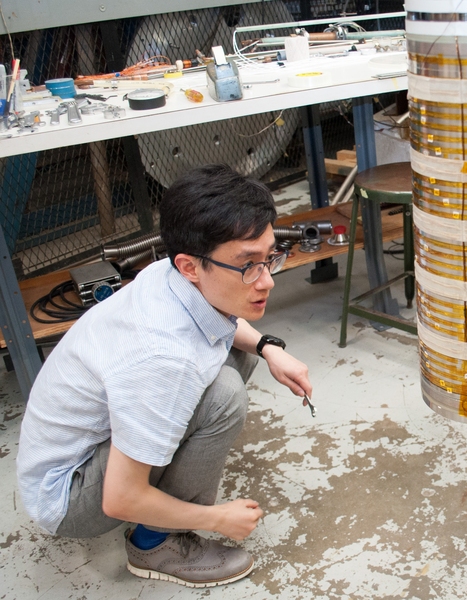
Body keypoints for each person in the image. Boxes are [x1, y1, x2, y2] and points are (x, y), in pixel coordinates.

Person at [17, 164, 313, 588]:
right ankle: (156, 543)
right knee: (224, 393)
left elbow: (222, 325)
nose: (266, 280)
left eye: (269, 257)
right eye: (247, 265)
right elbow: (120, 498)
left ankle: (165, 484)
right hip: (70, 495)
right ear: (190, 266)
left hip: (81, 446)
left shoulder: (168, 274)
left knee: (239, 354)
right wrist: (217, 518)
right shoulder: (163, 359)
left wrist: (269, 348)